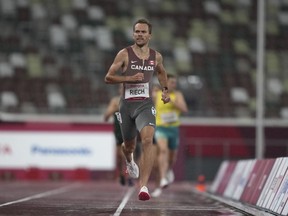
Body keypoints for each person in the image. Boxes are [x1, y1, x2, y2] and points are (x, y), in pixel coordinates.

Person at [104, 18, 170, 201]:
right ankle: (130, 161)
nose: (140, 35)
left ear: (150, 35)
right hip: (126, 106)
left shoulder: (156, 56)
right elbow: (108, 77)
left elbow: (161, 72)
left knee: (148, 140)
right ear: (133, 34)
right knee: (129, 146)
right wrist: (129, 79)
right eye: (137, 32)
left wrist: (165, 91)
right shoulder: (123, 54)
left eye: (143, 32)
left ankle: (143, 186)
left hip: (145, 105)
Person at [151, 74, 188, 197]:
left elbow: (184, 109)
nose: (174, 85)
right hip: (161, 128)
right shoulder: (157, 94)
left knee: (172, 158)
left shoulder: (177, 95)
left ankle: (168, 170)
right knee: (162, 151)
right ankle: (162, 179)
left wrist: (171, 101)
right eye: (172, 82)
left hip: (173, 128)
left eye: (175, 83)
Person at [103, 85, 133, 186]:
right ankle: (121, 174)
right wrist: (116, 108)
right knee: (120, 156)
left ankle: (130, 176)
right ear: (119, 90)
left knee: (130, 154)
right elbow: (106, 117)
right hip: (118, 132)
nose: (123, 90)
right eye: (121, 88)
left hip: (130, 130)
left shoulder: (133, 100)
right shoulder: (115, 101)